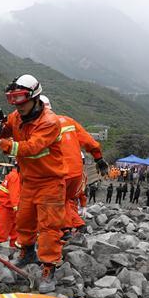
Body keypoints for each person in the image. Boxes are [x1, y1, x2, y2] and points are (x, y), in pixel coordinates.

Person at [0, 75, 66, 293]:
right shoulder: (17, 116)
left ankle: (49, 266)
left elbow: (32, 147)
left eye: (21, 101)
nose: (17, 106)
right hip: (29, 180)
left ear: (34, 97)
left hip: (50, 182)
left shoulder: (49, 123)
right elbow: (5, 129)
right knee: (24, 219)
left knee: (49, 227)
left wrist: (4, 144)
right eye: (13, 101)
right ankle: (27, 251)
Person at [41, 96, 108, 237]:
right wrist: (99, 159)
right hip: (76, 173)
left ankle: (61, 232)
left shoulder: (37, 125)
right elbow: (89, 141)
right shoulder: (68, 121)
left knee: (51, 203)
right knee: (65, 201)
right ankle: (67, 228)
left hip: (58, 173)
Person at [0, 163, 21, 248]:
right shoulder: (16, 177)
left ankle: (13, 251)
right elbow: (15, 197)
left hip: (9, 207)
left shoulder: (15, 175)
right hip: (6, 208)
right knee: (0, 234)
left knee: (15, 233)